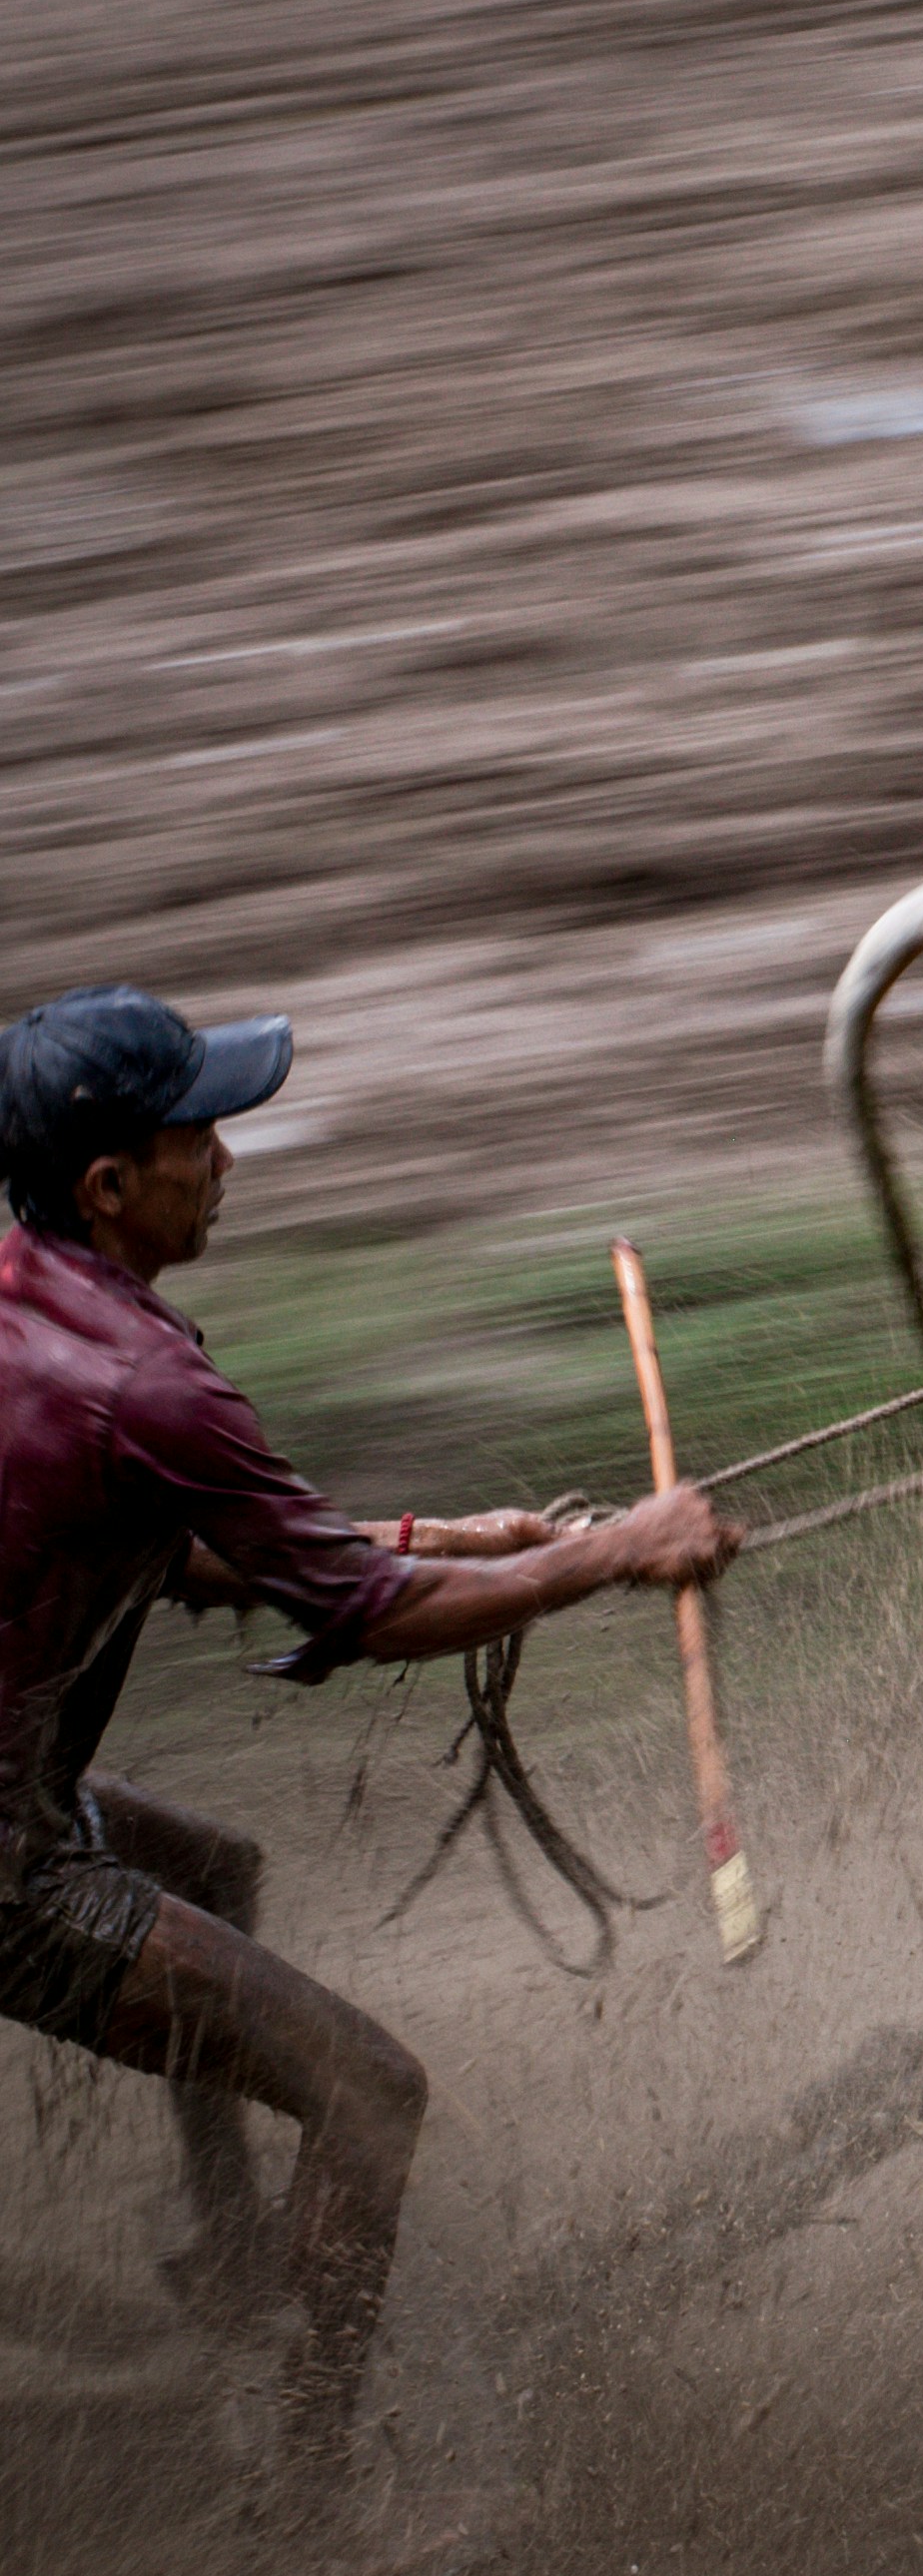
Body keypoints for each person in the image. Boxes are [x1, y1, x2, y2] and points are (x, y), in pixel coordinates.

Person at [0, 983, 737, 2476]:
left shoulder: (35, 1303)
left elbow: (165, 1542)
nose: (228, 1162)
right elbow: (368, 1617)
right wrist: (613, 1553)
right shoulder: (149, 1382)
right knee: (369, 2092)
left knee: (212, 1869)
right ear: (109, 1187)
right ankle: (313, 2494)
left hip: (27, 1788)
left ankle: (234, 2264)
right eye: (202, 1137)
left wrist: (452, 1537)